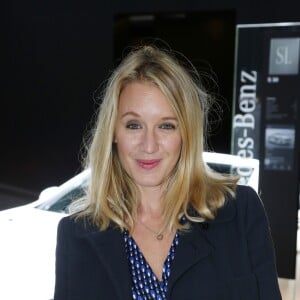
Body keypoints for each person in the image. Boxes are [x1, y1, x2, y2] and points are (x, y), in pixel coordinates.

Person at [54, 45, 282, 300]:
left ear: (185, 133)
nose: (148, 145)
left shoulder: (241, 212)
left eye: (166, 126)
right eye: (134, 125)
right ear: (113, 133)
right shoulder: (76, 235)